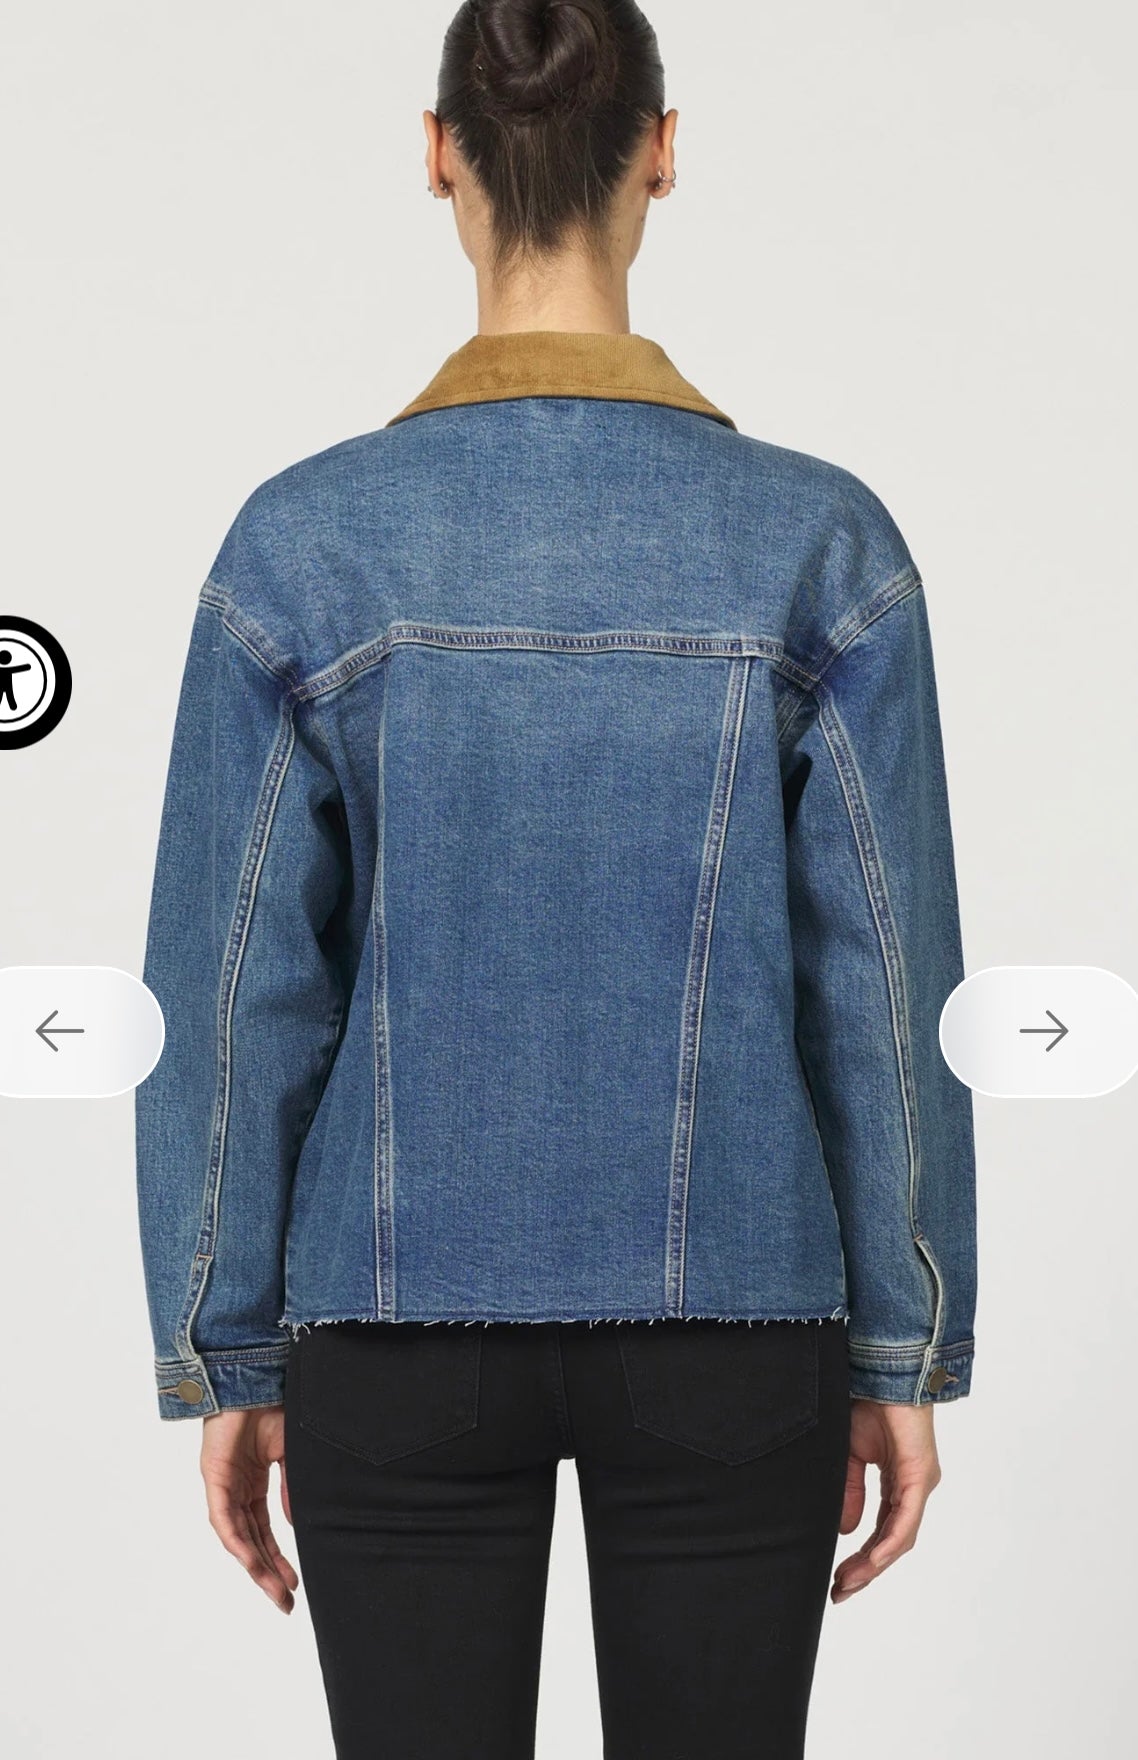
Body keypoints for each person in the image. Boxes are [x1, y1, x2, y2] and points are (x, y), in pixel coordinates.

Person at [134, 3, 977, 1755]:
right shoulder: (817, 542)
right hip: (741, 1319)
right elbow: (884, 985)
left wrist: (229, 1351)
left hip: (390, 1324)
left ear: (436, 153)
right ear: (660, 150)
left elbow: (231, 996)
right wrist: (898, 1348)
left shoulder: (302, 545)